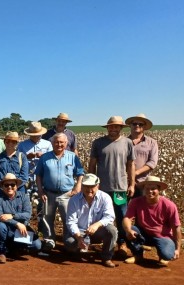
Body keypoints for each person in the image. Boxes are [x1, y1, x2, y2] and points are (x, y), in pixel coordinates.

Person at [88, 116, 135, 245]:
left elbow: (130, 165)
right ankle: (102, 240)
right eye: (111, 126)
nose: (113, 129)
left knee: (122, 215)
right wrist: (91, 185)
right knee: (100, 215)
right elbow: (92, 164)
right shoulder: (98, 143)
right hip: (101, 188)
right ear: (107, 128)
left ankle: (122, 242)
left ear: (121, 128)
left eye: (116, 126)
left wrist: (131, 185)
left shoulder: (128, 143)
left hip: (120, 188)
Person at [35, 133, 85, 242]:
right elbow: (38, 175)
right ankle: (49, 240)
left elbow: (80, 173)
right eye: (56, 142)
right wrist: (40, 190)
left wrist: (78, 186)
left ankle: (68, 240)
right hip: (48, 193)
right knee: (47, 218)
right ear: (52, 143)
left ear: (66, 143)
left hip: (67, 194)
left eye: (62, 142)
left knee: (68, 218)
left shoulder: (72, 157)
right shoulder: (44, 157)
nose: (59, 144)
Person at [123, 176, 181, 266]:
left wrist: (177, 249)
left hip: (163, 236)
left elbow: (176, 227)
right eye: (147, 188)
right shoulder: (135, 202)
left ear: (159, 190)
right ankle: (138, 254)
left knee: (167, 255)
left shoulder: (169, 205)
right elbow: (127, 218)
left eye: (153, 189)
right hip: (143, 234)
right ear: (143, 189)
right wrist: (128, 230)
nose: (150, 191)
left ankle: (163, 255)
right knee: (128, 228)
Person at [64, 174, 118, 268]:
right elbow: (71, 221)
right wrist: (78, 237)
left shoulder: (105, 198)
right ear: (82, 186)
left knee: (112, 230)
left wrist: (97, 225)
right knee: (70, 242)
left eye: (92, 187)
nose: (89, 190)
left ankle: (106, 257)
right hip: (81, 231)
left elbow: (109, 217)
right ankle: (77, 252)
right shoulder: (74, 200)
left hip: (98, 231)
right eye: (86, 186)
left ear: (98, 186)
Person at [0, 174, 42, 264]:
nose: (9, 187)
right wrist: (17, 223)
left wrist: (12, 216)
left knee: (37, 245)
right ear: (2, 187)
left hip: (20, 231)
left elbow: (27, 214)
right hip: (6, 230)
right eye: (6, 185)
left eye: (12, 185)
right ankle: (1, 251)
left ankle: (14, 248)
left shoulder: (24, 197)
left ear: (16, 186)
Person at [126, 114, 159, 197]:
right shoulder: (123, 142)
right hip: (125, 182)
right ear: (130, 125)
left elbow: (152, 162)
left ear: (144, 127)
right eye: (134, 124)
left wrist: (135, 173)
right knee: (124, 208)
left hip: (143, 183)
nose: (137, 125)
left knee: (142, 208)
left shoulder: (152, 143)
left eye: (140, 124)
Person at [18, 121, 52, 191]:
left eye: (38, 134)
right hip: (27, 178)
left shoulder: (47, 144)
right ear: (30, 134)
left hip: (43, 178)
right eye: (34, 135)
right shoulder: (22, 145)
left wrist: (43, 156)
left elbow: (52, 159)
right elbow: (16, 160)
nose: (37, 136)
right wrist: (26, 157)